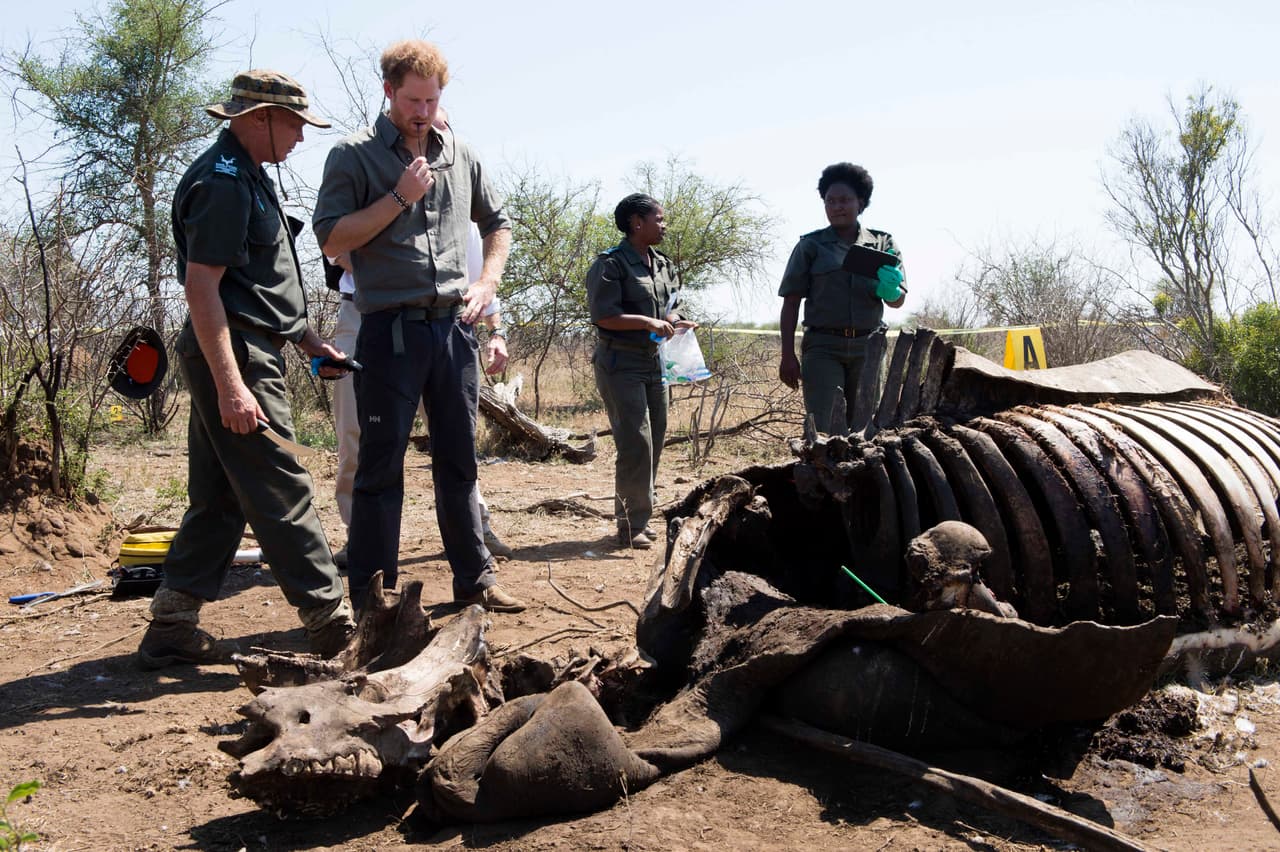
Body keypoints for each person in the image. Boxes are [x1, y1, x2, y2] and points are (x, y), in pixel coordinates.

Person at [137, 70, 356, 670]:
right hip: (235, 356)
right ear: (260, 118)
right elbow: (202, 289)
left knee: (220, 496)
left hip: (244, 347)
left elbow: (255, 286)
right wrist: (233, 386)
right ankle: (333, 625)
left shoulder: (248, 176)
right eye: (294, 124)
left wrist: (310, 341)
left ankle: (172, 624)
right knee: (281, 484)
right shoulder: (224, 182)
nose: (301, 137)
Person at [313, 39, 525, 612]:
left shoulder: (461, 153)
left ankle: (475, 581)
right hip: (389, 331)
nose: (424, 111)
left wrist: (488, 283)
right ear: (389, 91)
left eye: (432, 100)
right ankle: (373, 600)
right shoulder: (353, 155)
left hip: (454, 330)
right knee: (380, 468)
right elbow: (331, 238)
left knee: (459, 462)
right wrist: (397, 198)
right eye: (413, 100)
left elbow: (498, 223)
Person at [329, 222, 513, 564]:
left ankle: (475, 531)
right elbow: (336, 247)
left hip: (443, 319)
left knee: (456, 436)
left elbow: (479, 275)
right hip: (367, 315)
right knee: (358, 431)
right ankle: (361, 536)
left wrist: (496, 331)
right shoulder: (365, 196)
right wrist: (407, 277)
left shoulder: (459, 207)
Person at [585, 193, 697, 550]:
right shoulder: (610, 264)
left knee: (656, 438)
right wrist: (647, 322)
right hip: (620, 363)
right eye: (658, 219)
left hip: (655, 361)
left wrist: (674, 320)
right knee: (636, 442)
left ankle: (641, 517)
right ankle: (631, 524)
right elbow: (604, 316)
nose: (664, 226)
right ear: (637, 222)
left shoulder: (663, 264)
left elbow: (674, 304)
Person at [778, 162, 907, 435]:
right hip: (823, 348)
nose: (837, 207)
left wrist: (891, 290)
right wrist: (787, 355)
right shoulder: (810, 246)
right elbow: (791, 302)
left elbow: (897, 301)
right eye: (830, 201)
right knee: (824, 430)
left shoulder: (883, 243)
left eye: (845, 200)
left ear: (861, 202)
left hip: (868, 348)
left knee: (866, 430)